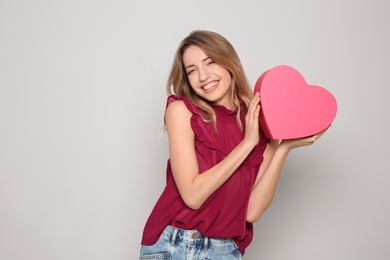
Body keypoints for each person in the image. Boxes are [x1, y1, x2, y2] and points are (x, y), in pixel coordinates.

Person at [139, 30, 326, 259]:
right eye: (192, 71)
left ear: (229, 62)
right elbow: (193, 196)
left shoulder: (260, 122)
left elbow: (252, 211)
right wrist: (246, 145)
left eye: (210, 62)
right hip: (176, 244)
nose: (203, 76)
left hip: (226, 250)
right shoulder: (182, 111)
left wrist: (283, 147)